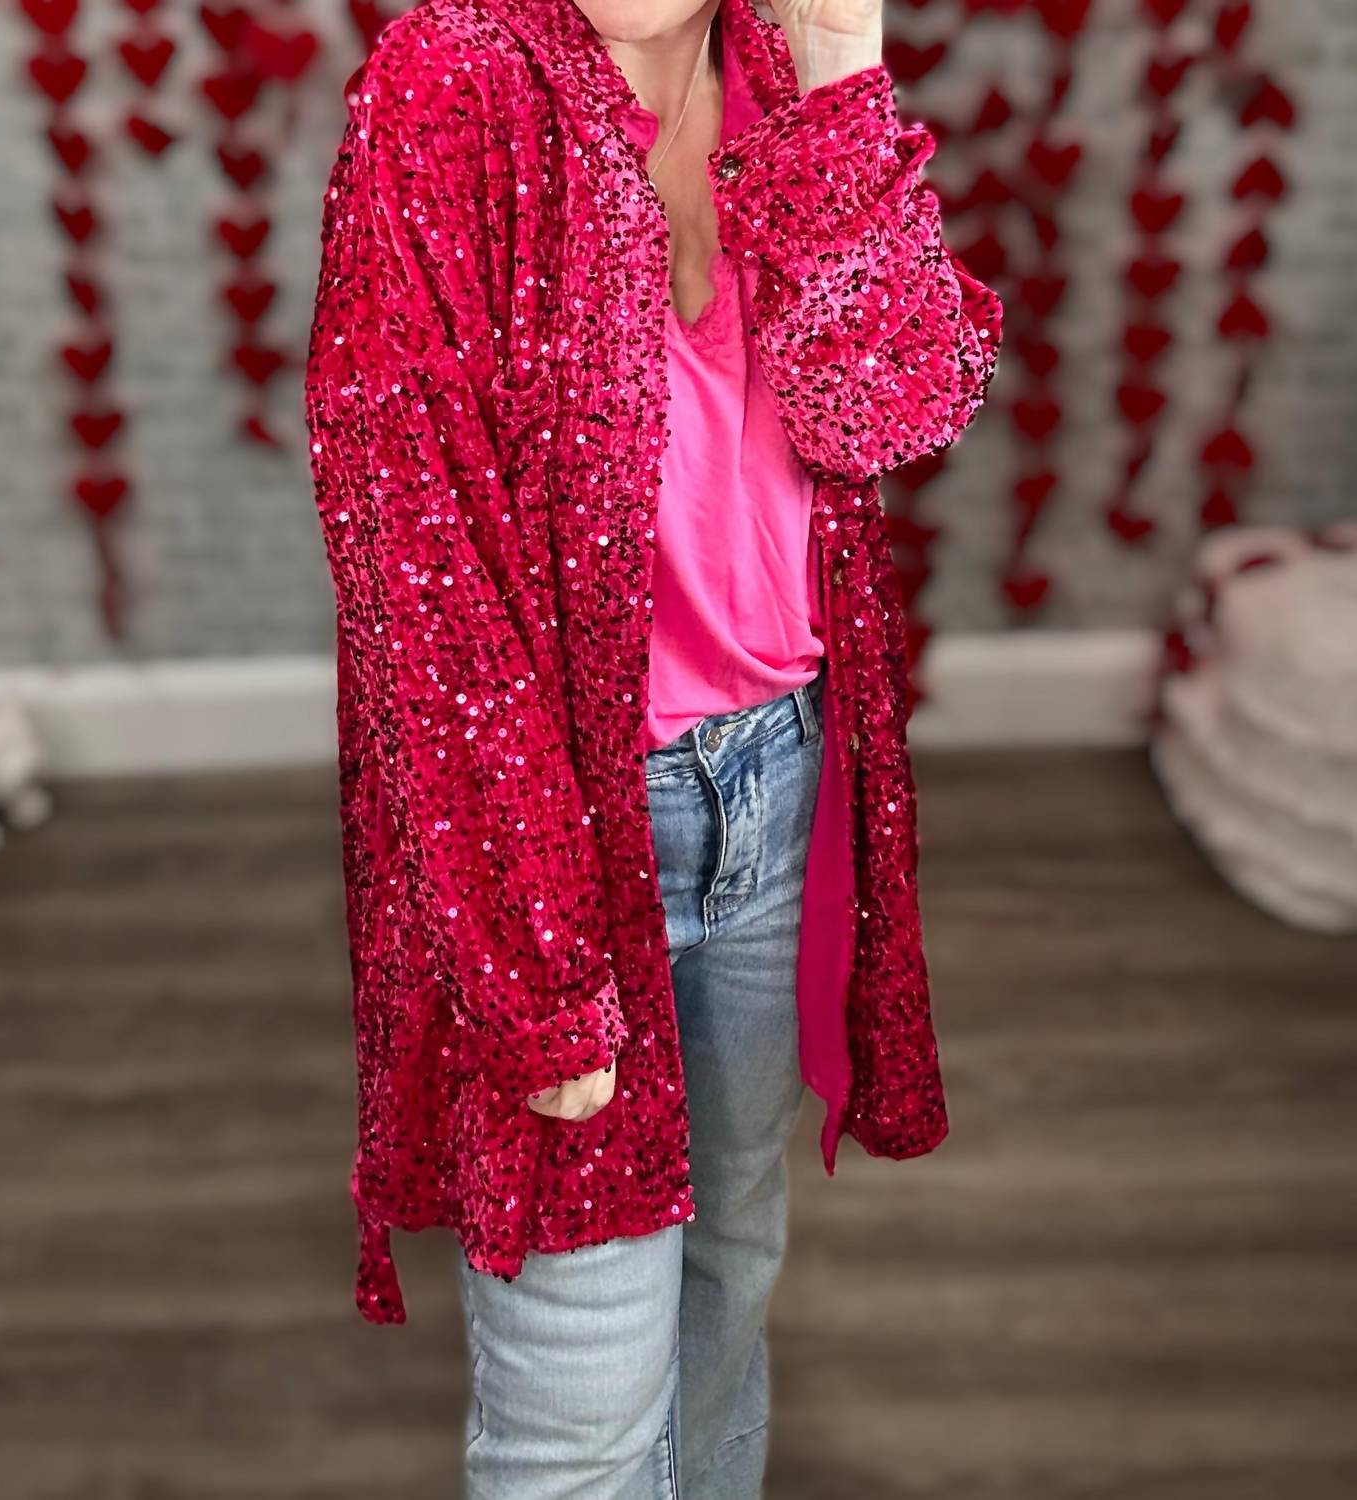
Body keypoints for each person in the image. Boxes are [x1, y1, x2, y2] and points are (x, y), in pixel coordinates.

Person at [303, 0, 1002, 1494]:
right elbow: (418, 572)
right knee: (581, 1404)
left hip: (778, 780)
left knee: (729, 1272)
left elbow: (891, 412)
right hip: (560, 827)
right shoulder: (451, 85)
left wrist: (845, 79)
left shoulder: (782, 70)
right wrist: (539, 968)